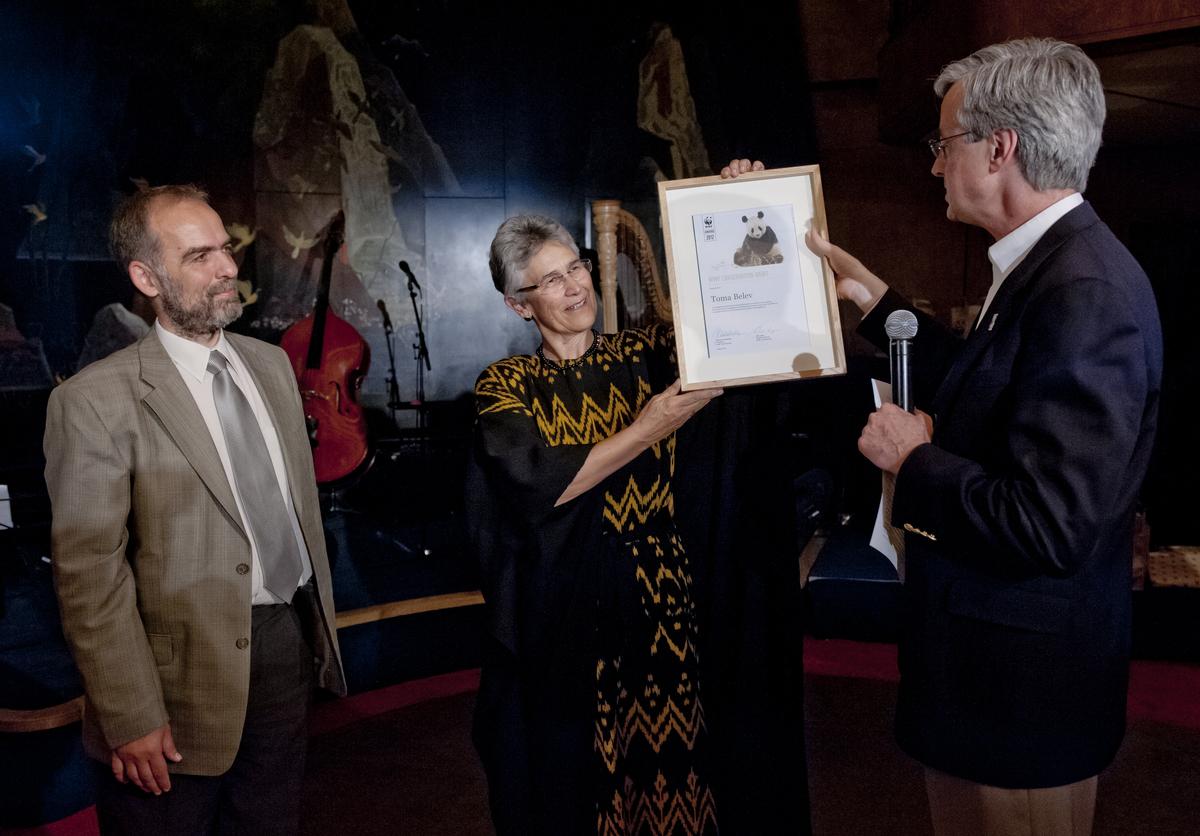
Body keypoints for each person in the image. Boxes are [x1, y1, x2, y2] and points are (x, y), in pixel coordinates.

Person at [729, 36, 1162, 836]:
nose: (934, 165)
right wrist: (867, 293)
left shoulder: (1084, 291)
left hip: (1018, 703)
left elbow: (1049, 523)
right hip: (998, 683)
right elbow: (983, 381)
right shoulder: (1052, 264)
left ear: (1000, 149)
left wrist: (913, 458)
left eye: (944, 143)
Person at [44, 185, 346, 834]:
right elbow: (90, 576)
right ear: (146, 278)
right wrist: (130, 713)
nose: (228, 267)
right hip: (171, 678)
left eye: (226, 249)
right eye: (200, 256)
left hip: (284, 647)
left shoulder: (271, 367)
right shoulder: (93, 401)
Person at [467, 214, 729, 834]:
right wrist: (646, 429)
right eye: (550, 280)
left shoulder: (645, 354)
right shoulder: (506, 384)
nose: (575, 286)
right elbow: (541, 483)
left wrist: (729, 206)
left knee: (667, 758)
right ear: (519, 305)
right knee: (576, 770)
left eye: (576, 267)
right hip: (564, 603)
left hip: (659, 591)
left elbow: (730, 328)